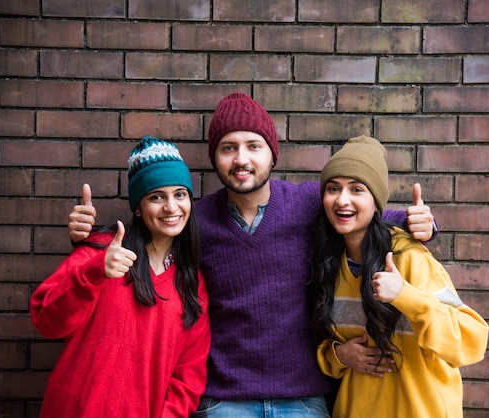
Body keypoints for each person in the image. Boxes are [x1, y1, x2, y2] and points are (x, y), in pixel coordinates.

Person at [67, 93, 437, 417]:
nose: (241, 158)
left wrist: (422, 224)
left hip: (303, 397)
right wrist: (85, 237)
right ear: (216, 158)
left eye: (253, 146)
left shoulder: (309, 202)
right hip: (222, 399)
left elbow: (368, 215)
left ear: (271, 155)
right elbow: (144, 236)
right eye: (228, 148)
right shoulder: (195, 219)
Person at [309, 135, 489, 418]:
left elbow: (472, 341)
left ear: (376, 201)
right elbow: (323, 345)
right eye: (333, 188)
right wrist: (338, 355)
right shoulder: (329, 266)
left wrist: (406, 296)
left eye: (357, 189)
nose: (342, 199)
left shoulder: (409, 259)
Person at [31, 137, 211, 418]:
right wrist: (95, 271)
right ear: (137, 207)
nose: (171, 207)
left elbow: (188, 376)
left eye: (180, 194)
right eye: (156, 196)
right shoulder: (103, 248)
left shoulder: (192, 282)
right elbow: (47, 320)